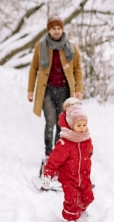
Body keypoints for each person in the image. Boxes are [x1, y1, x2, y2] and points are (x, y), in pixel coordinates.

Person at [27, 14, 83, 170]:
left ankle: (59, 154)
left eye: (59, 28)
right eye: (53, 29)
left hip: (65, 91)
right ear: (49, 30)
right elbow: (34, 68)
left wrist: (78, 90)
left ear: (62, 29)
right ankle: (48, 152)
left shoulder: (71, 46)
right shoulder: (41, 46)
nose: (56, 31)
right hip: (47, 91)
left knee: (62, 125)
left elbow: (78, 69)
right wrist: (30, 90)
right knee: (50, 122)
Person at [42, 104, 94, 222]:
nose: (82, 128)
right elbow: (54, 161)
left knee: (88, 196)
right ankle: (70, 218)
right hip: (69, 178)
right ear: (71, 125)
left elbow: (89, 151)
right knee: (72, 199)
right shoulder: (65, 143)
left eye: (84, 124)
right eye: (78, 125)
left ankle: (80, 209)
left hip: (84, 176)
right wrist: (48, 174)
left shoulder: (86, 139)